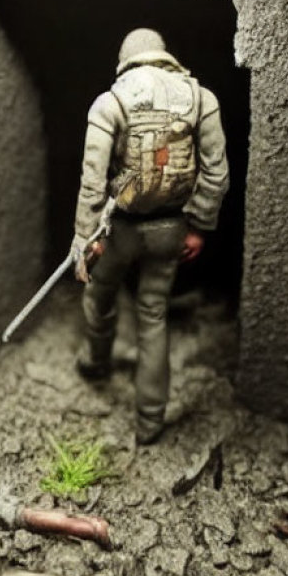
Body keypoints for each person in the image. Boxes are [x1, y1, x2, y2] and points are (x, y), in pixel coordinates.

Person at [71, 28, 229, 445]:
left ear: (126, 59)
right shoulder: (201, 99)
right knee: (154, 314)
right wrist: (199, 226)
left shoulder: (110, 103)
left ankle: (96, 363)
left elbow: (92, 182)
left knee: (99, 295)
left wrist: (87, 240)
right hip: (171, 229)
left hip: (119, 228)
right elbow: (216, 173)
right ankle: (150, 420)